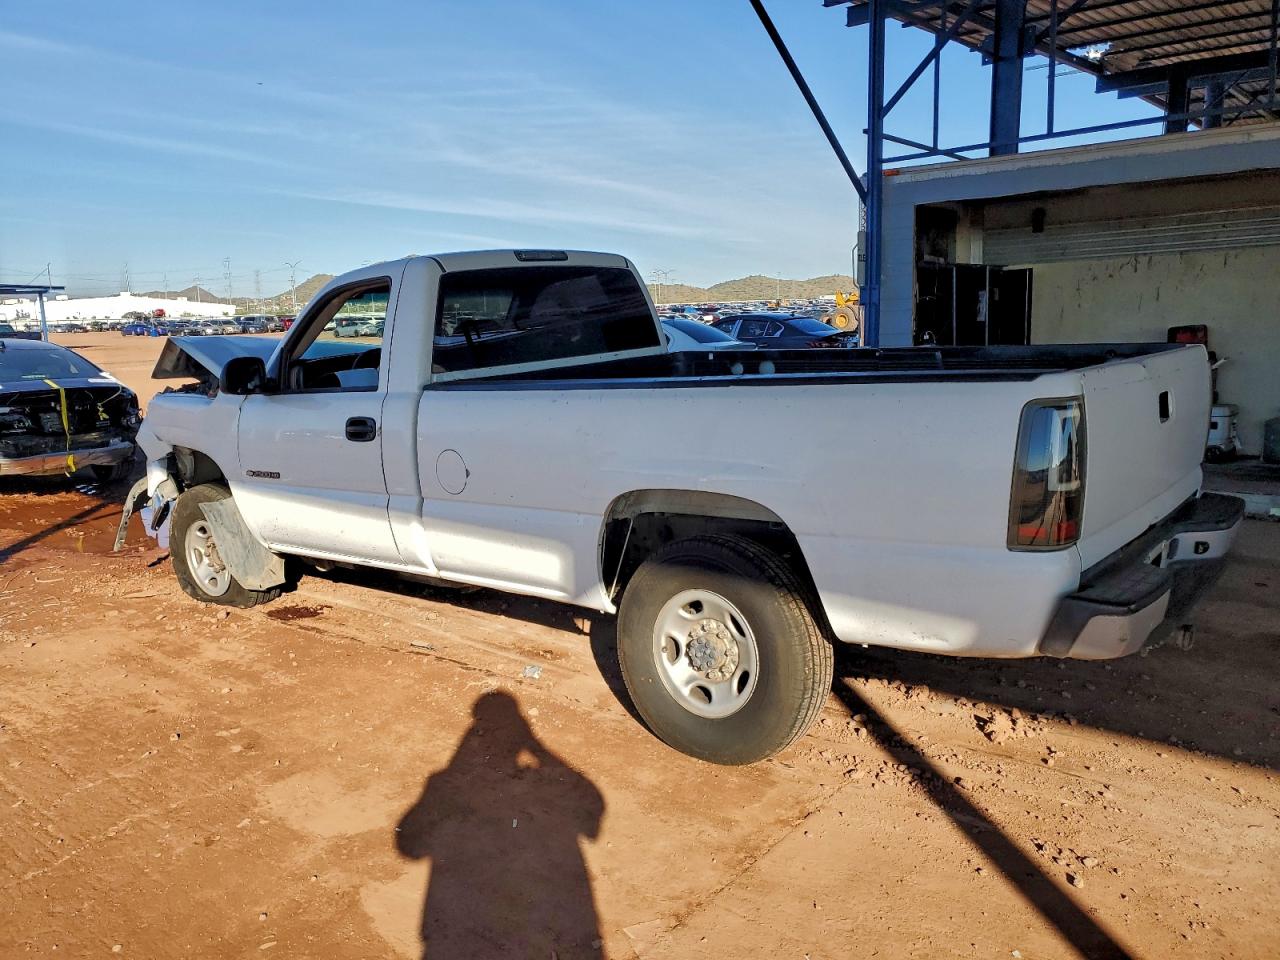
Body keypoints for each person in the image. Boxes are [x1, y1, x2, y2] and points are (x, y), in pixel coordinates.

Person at [395, 690, 605, 959]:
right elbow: (592, 809)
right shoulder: (542, 789)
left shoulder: (447, 785)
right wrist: (536, 748)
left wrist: (452, 777)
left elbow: (409, 845)